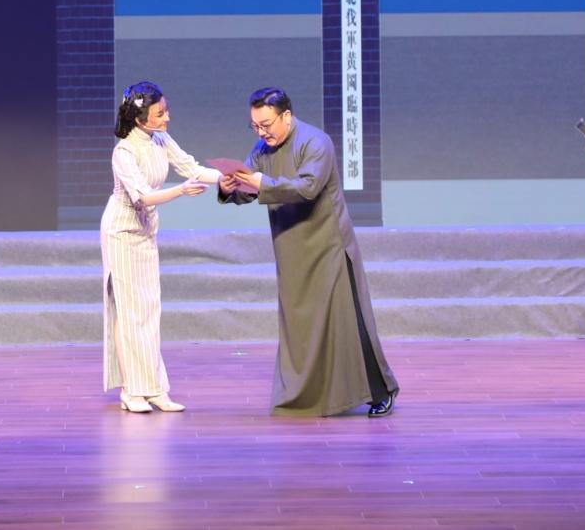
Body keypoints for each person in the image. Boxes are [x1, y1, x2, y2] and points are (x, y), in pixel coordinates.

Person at [218, 87, 399, 417]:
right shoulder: (262, 148)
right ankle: (309, 395)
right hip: (291, 248)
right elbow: (249, 186)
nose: (261, 133)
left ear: (286, 116)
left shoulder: (316, 142)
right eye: (255, 126)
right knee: (301, 330)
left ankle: (380, 390)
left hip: (327, 245)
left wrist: (259, 183)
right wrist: (229, 187)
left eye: (266, 125)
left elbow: (308, 187)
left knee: (349, 321)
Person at [102, 82, 222, 413]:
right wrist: (181, 191)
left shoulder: (161, 139)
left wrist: (232, 177)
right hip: (122, 231)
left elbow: (193, 168)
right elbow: (143, 197)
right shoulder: (125, 151)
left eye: (166, 110)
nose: (167, 117)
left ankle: (153, 388)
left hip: (145, 230)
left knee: (150, 308)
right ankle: (131, 390)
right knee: (130, 311)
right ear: (140, 119)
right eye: (160, 113)